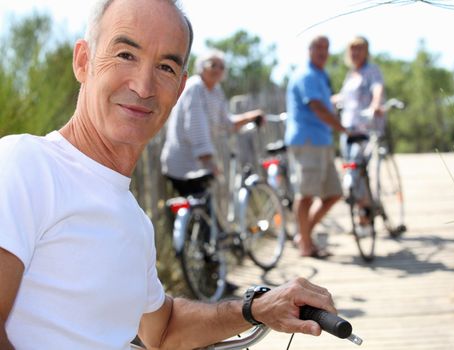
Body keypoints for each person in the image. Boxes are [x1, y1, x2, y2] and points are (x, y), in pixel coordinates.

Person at [0, 1, 337, 349]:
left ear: (178, 88)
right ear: (83, 61)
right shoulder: (26, 164)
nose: (144, 86)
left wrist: (258, 307)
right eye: (126, 55)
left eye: (164, 66)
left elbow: (163, 330)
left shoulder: (134, 222)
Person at [160, 49, 262, 222]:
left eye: (222, 66)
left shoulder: (215, 91)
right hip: (185, 164)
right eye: (213, 64)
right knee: (202, 215)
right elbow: (195, 126)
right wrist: (208, 161)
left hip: (197, 163)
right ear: (201, 67)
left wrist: (249, 117)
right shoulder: (195, 88)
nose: (218, 69)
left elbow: (226, 122)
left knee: (204, 214)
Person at [285, 35, 350, 258]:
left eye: (326, 48)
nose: (323, 52)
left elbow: (327, 103)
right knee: (305, 196)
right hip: (307, 141)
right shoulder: (307, 74)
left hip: (322, 141)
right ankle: (305, 246)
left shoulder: (321, 74)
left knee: (334, 193)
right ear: (310, 49)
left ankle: (303, 236)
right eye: (318, 47)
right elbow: (317, 107)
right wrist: (342, 128)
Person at [333, 36, 386, 236]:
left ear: (366, 51)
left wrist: (375, 105)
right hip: (347, 129)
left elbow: (377, 88)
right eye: (352, 49)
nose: (355, 53)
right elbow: (345, 98)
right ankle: (362, 214)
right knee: (351, 170)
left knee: (357, 169)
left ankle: (363, 217)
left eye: (359, 49)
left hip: (365, 129)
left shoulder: (371, 71)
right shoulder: (351, 75)